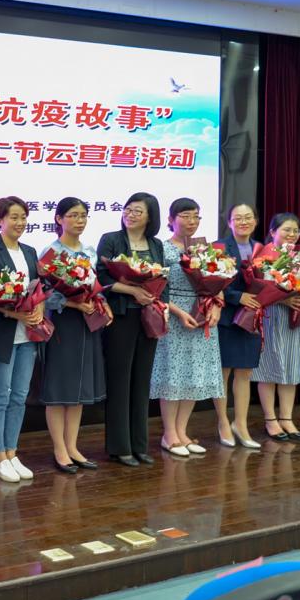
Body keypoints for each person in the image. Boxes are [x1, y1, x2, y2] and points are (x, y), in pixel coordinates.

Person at [39, 198, 110, 473]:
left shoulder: (89, 252)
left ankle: (72, 446)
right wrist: (72, 303)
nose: (79, 221)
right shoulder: (50, 253)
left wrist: (100, 302)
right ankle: (59, 448)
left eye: (83, 215)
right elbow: (44, 294)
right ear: (59, 219)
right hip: (63, 323)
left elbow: (96, 286)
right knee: (60, 389)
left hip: (87, 324)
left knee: (79, 389)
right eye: (73, 215)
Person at [149, 198, 225, 456]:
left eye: (196, 216)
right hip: (174, 315)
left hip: (202, 315)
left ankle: (182, 431)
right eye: (185, 216)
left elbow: (218, 282)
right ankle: (169, 434)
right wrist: (179, 312)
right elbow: (155, 288)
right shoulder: (162, 248)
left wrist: (216, 306)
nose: (192, 221)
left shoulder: (204, 248)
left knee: (195, 373)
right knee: (174, 374)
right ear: (171, 220)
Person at [0, 196, 43, 483]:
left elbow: (39, 289)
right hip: (1, 333)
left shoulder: (30, 251)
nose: (20, 222)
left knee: (19, 396)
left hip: (28, 335)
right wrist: (15, 314)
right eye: (13, 217)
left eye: (23, 217)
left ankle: (12, 452)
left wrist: (38, 310)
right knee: (0, 396)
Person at [97, 192, 167, 467]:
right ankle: (119, 446)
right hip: (121, 317)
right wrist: (132, 291)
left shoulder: (156, 244)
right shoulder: (111, 239)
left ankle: (139, 444)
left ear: (150, 217)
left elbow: (163, 277)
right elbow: (101, 277)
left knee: (141, 380)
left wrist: (161, 305)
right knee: (120, 379)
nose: (131, 214)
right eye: (128, 209)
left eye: (138, 211)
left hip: (149, 316)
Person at [252, 213, 300, 441]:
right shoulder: (263, 255)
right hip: (271, 316)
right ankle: (270, 419)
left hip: (295, 317)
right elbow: (257, 290)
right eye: (286, 230)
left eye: (295, 231)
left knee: (292, 367)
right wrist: (283, 300)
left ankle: (287, 418)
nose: (292, 234)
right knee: (269, 369)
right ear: (273, 231)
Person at [213, 203, 263, 449]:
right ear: (229, 222)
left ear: (255, 221)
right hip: (227, 317)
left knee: (245, 373)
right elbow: (212, 283)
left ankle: (240, 424)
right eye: (238, 218)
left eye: (248, 217)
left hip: (252, 318)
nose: (244, 222)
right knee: (223, 373)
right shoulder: (219, 248)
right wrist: (236, 297)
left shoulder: (262, 249)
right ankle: (223, 422)